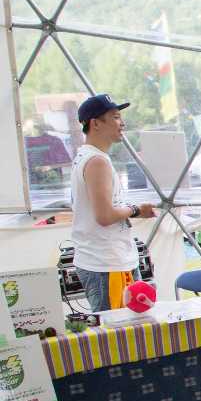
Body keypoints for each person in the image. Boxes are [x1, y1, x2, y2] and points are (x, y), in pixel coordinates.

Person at [69, 94, 156, 312]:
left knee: (130, 324)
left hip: (110, 261)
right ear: (95, 124)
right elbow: (105, 216)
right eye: (115, 117)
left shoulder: (90, 157)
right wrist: (136, 210)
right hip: (106, 264)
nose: (122, 123)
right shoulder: (96, 161)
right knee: (118, 327)